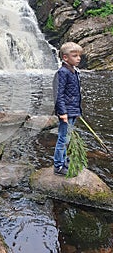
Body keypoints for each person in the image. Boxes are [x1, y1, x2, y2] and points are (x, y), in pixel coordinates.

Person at [53, 42, 83, 175]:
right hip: (66, 111)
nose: (79, 58)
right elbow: (59, 95)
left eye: (79, 55)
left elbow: (75, 94)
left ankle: (64, 160)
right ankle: (58, 166)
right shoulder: (62, 72)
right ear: (65, 58)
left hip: (72, 110)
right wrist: (63, 112)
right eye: (75, 56)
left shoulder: (73, 71)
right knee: (62, 139)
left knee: (67, 137)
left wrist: (77, 111)